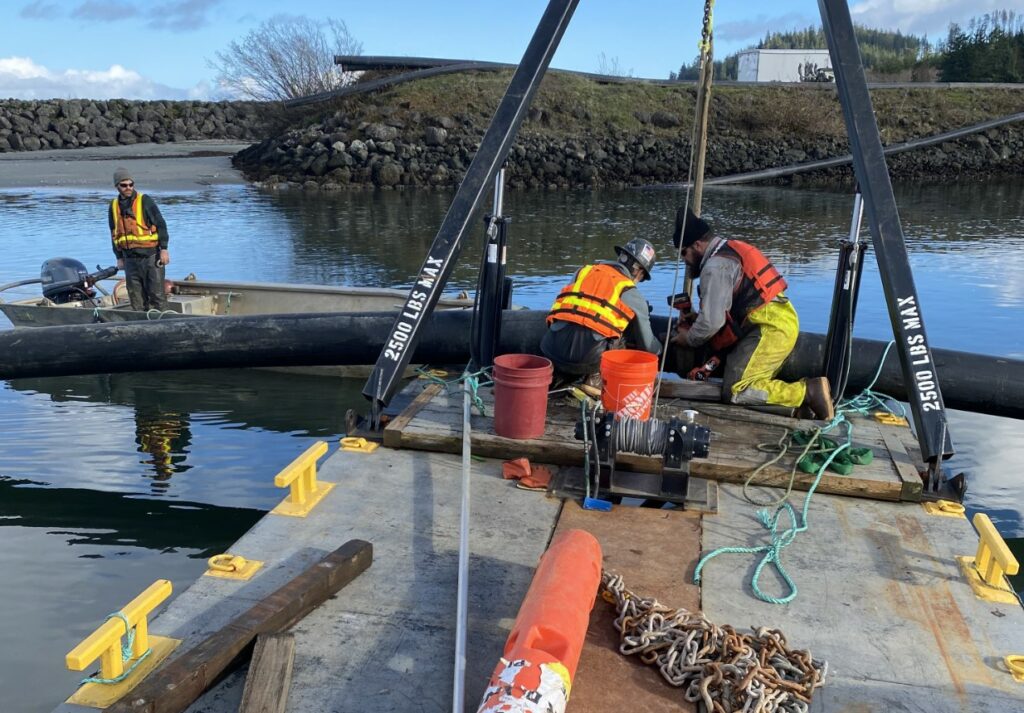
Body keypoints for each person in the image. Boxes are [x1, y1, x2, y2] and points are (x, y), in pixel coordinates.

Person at [669, 207, 834, 420]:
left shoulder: (715, 267)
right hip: (778, 321)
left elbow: (711, 322)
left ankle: (808, 392)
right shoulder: (729, 250)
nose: (684, 260)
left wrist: (689, 338)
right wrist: (696, 318)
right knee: (749, 383)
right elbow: (726, 309)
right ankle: (798, 410)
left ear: (697, 245)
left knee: (736, 389)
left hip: (769, 328)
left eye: (684, 252)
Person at [541, 238, 662, 383]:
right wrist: (661, 347)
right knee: (622, 335)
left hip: (551, 350)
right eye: (642, 278)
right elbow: (648, 347)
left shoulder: (583, 271)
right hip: (588, 363)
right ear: (638, 271)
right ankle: (595, 380)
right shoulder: (630, 291)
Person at [109, 167, 170, 311]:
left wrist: (164, 249)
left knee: (157, 296)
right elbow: (113, 234)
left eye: (131, 184)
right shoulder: (113, 206)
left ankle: (162, 321)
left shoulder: (145, 201)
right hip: (129, 260)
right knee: (136, 298)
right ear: (117, 186)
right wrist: (119, 257)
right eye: (124, 185)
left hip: (151, 258)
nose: (128, 188)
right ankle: (142, 322)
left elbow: (161, 225)